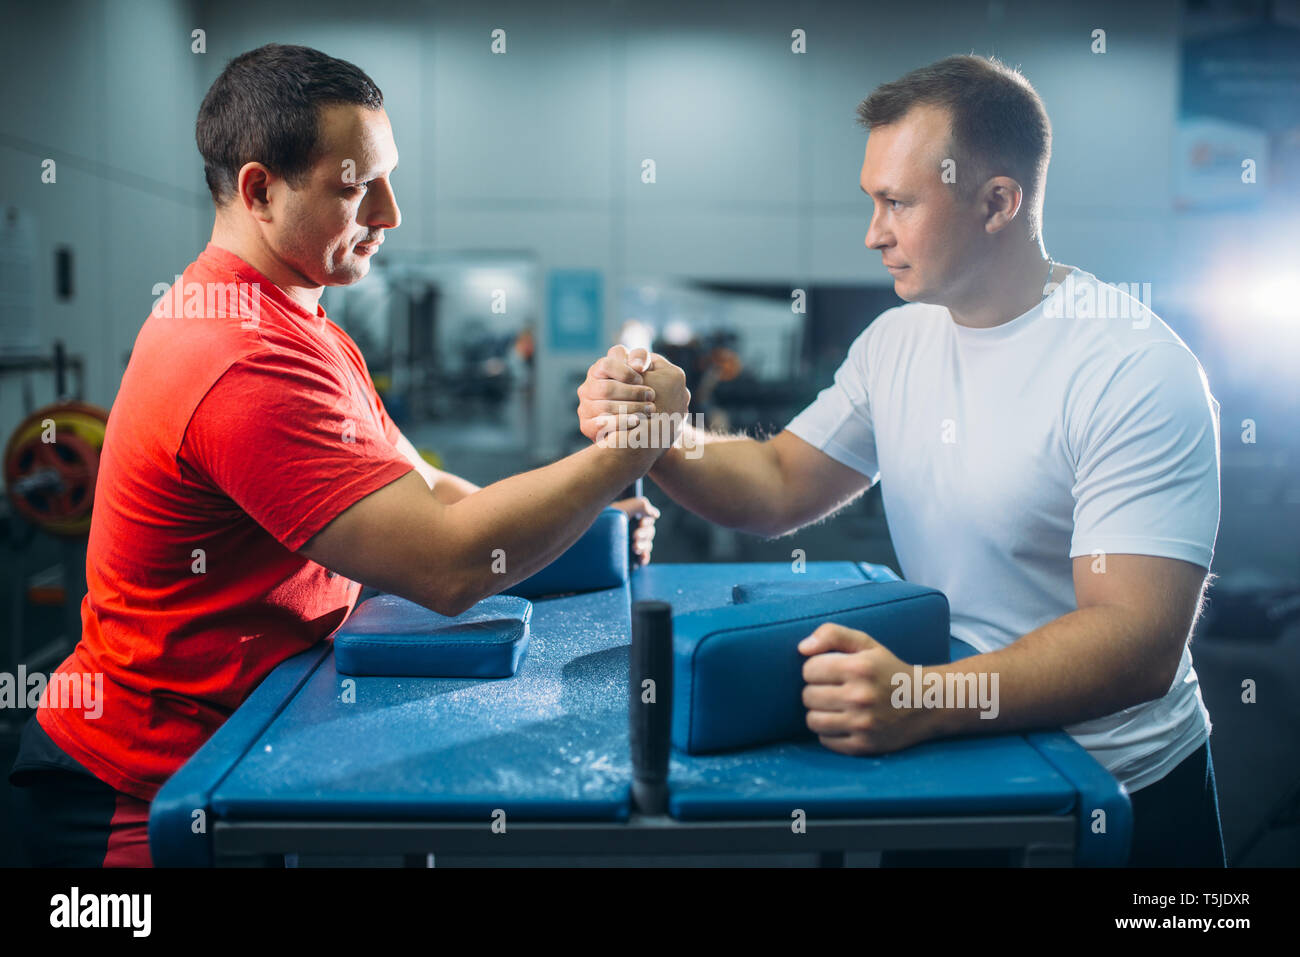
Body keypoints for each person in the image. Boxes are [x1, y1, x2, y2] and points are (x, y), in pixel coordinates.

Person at [9, 43, 680, 867]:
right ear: (260, 190)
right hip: (136, 795)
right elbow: (445, 565)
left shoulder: (304, 326)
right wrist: (625, 453)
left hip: (243, 747)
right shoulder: (239, 355)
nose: (392, 213)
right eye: (359, 185)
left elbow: (431, 492)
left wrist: (587, 518)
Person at [577, 55, 1226, 867]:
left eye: (897, 202)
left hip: (1117, 787)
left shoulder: (1133, 366)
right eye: (870, 200)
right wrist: (659, 432)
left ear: (997, 201)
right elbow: (779, 481)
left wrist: (925, 696)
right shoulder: (899, 340)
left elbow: (1136, 640)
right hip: (951, 751)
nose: (872, 231)